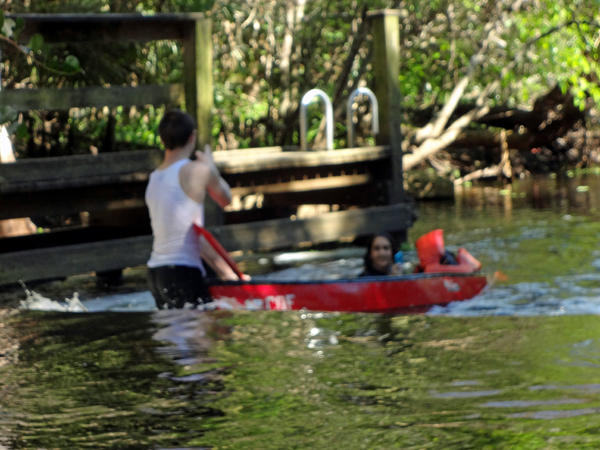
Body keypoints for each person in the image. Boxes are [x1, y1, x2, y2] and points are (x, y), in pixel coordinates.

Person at [145, 109, 233, 309]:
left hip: (156, 273)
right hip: (183, 270)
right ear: (192, 137)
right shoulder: (197, 171)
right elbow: (225, 199)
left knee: (175, 338)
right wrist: (211, 167)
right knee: (201, 338)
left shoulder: (154, 178)